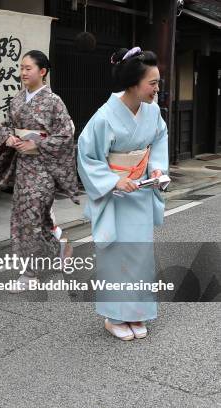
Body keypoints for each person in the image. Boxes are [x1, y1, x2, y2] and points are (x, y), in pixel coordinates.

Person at [77, 47, 168, 341]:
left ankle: (137, 313)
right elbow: (87, 155)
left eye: (157, 82)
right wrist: (113, 181)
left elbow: (158, 141)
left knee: (140, 255)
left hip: (139, 192)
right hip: (115, 196)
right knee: (116, 256)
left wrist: (155, 170)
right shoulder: (104, 117)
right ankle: (114, 316)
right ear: (133, 83)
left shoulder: (152, 112)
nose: (157, 88)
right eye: (152, 83)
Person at [0, 50, 78, 291]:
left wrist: (37, 143)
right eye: (21, 68)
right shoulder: (18, 100)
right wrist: (8, 138)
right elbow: (6, 126)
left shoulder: (53, 101)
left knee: (29, 217)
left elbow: (65, 134)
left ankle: (30, 274)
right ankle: (58, 249)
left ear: (43, 72)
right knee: (34, 218)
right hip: (23, 166)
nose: (22, 73)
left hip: (44, 169)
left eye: (28, 68)